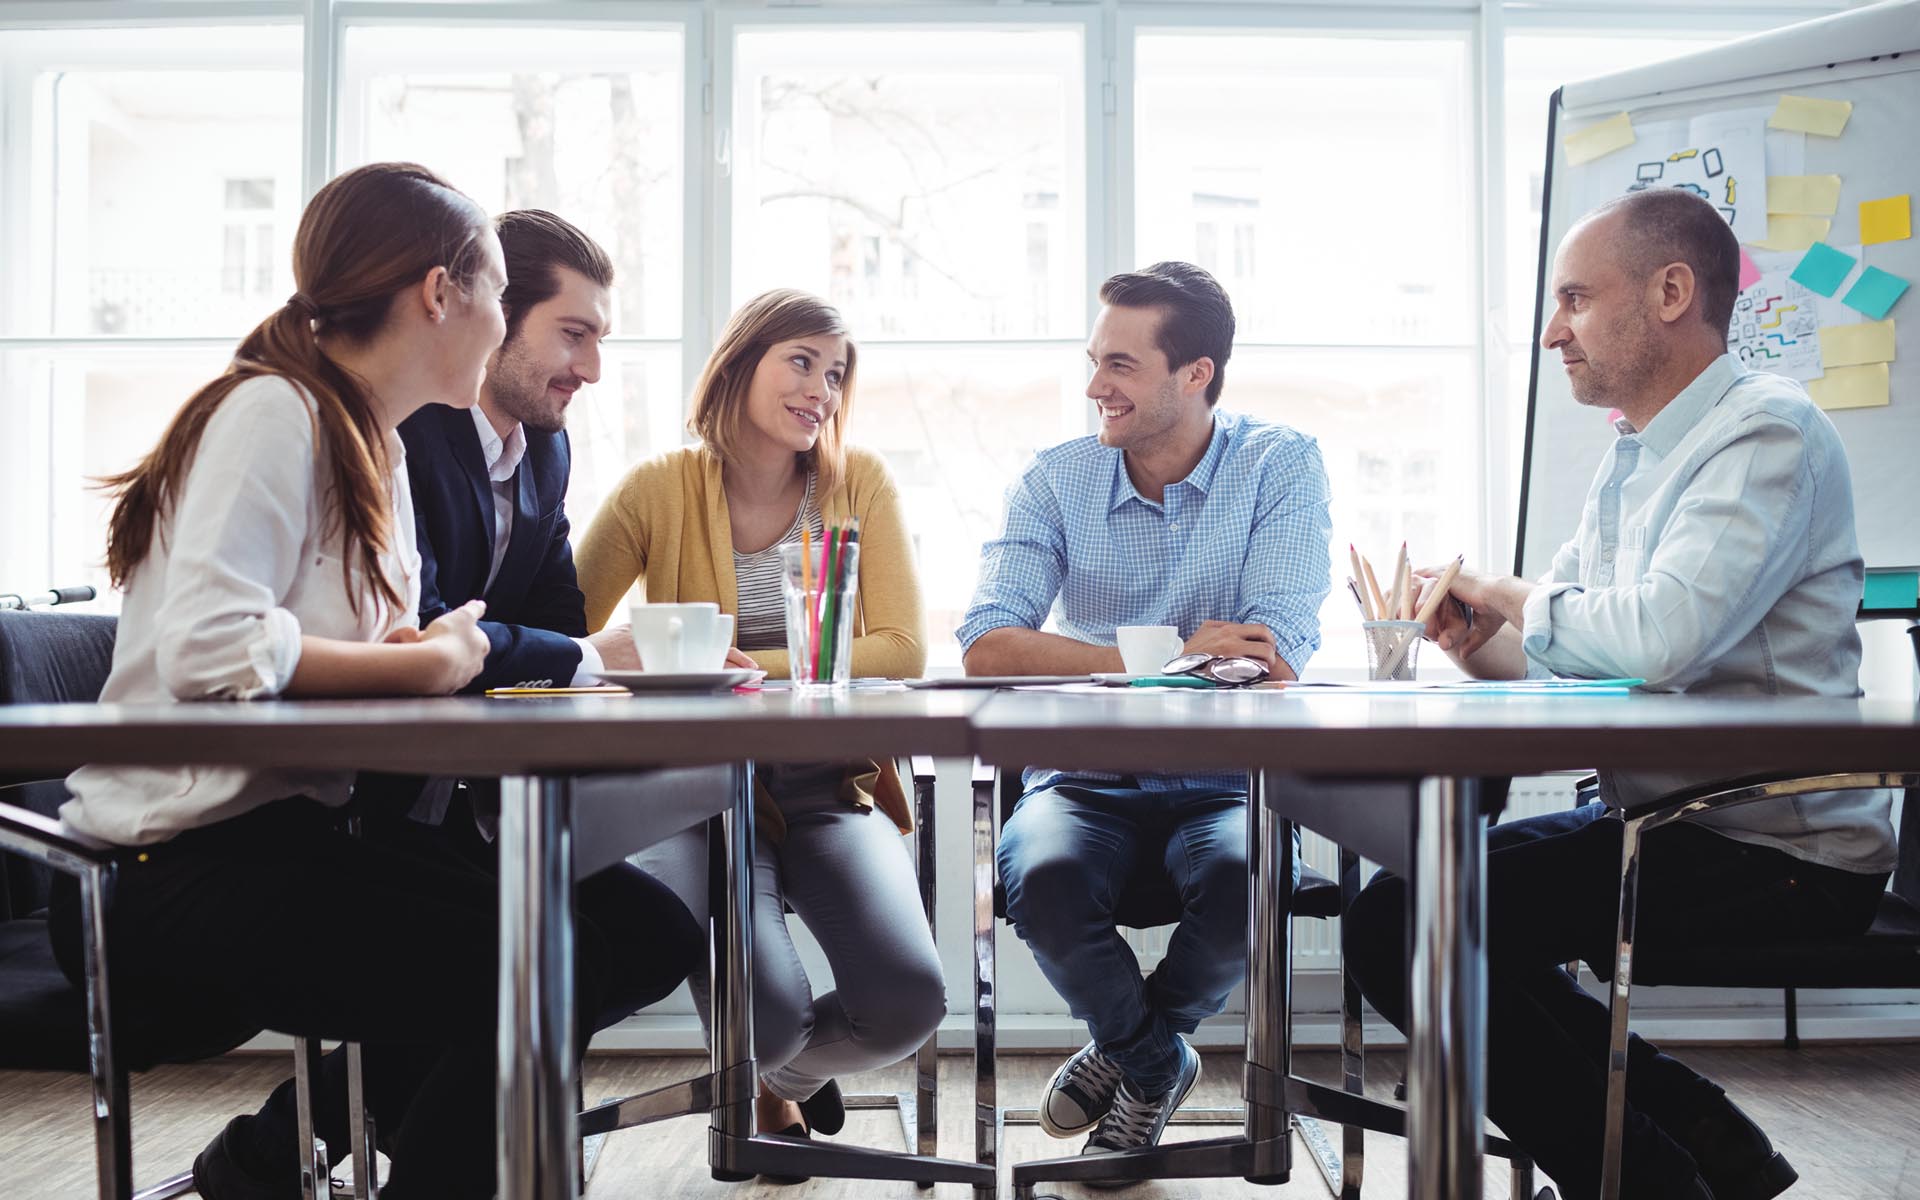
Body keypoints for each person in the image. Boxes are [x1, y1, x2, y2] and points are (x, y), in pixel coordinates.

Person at [47, 162, 625, 1200]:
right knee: (533, 970)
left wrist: (427, 652)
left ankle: (341, 1162)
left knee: (579, 941)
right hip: (159, 872)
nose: (501, 323)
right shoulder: (274, 412)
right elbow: (213, 649)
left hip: (287, 838)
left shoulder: (371, 443)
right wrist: (441, 657)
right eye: (497, 293)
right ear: (439, 294)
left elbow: (386, 640)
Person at [1344, 187, 1896, 1200]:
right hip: (1672, 820)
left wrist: (1505, 591)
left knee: (1409, 925)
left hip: (1777, 846)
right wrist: (1482, 647)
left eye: (1575, 300)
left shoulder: (1767, 433)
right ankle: (1699, 1149)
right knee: (1414, 913)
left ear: (1673, 291)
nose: (1554, 332)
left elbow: (1656, 635)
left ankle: (1657, 1178)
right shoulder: (1631, 455)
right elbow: (1582, 654)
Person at [189, 209, 706, 1198]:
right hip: (355, 800)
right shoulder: (398, 428)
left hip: (459, 789)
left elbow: (552, 618)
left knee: (649, 935)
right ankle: (430, 1160)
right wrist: (554, 656)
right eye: (575, 333)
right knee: (541, 963)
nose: (591, 368)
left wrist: (553, 656)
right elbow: (422, 630)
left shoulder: (543, 452)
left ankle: (308, 1151)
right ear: (484, 311)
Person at [958, 261, 1332, 1164]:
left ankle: (1127, 1056)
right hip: (1082, 777)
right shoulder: (1056, 481)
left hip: (1227, 785)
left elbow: (1272, 651)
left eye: (1120, 365)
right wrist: (1163, 658)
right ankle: (1158, 1064)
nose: (1095, 387)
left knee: (1249, 875)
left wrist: (1140, 660)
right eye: (1095, 361)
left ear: (1195, 374)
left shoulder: (1279, 464)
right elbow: (987, 641)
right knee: (1041, 877)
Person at [573, 289, 945, 1150]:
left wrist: (725, 667)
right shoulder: (656, 490)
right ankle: (767, 1073)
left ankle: (782, 1083)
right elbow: (563, 639)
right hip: (695, 794)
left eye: (837, 372)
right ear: (740, 362)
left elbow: (898, 650)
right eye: (802, 362)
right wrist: (645, 656)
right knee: (764, 1022)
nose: (823, 388)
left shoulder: (861, 485)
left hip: (826, 784)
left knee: (906, 1007)